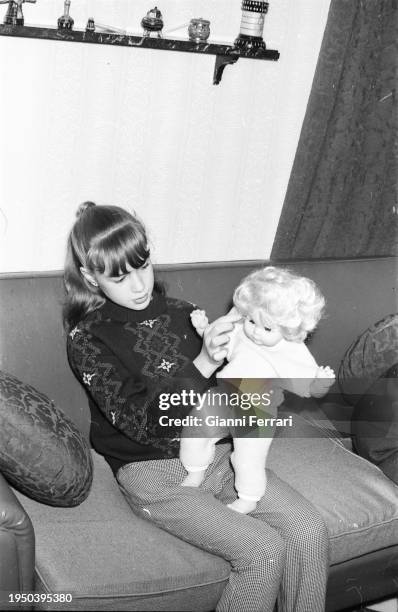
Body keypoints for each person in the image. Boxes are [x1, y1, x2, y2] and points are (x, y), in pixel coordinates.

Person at [64, 202, 329, 612]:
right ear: (90, 277)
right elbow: (144, 425)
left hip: (220, 456)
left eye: (143, 265)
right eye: (119, 277)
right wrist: (204, 361)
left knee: (309, 530)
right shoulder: (88, 338)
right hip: (153, 474)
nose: (138, 285)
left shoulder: (185, 313)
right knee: (262, 551)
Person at [180, 267, 335, 514]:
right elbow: (220, 342)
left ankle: (249, 498)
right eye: (252, 321)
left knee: (247, 458)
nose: (256, 332)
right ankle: (195, 472)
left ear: (288, 328)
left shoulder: (291, 350)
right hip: (224, 395)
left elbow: (311, 389)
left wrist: (322, 382)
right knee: (196, 429)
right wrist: (203, 328)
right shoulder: (243, 330)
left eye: (267, 329)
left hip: (257, 408)